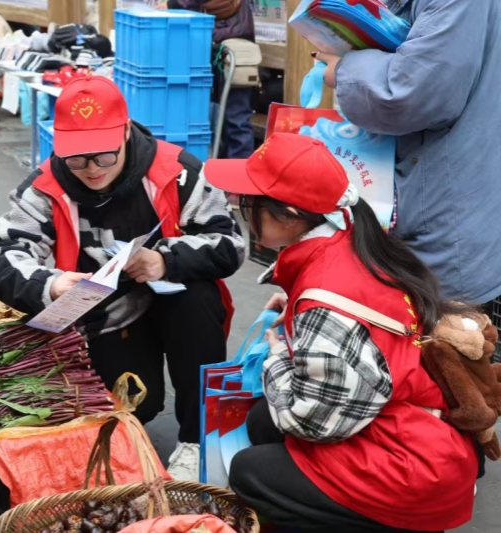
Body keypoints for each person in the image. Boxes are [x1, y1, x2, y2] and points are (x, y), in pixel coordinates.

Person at [203, 133, 480, 532]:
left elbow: (313, 422)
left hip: (416, 469)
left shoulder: (326, 300)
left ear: (289, 215)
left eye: (248, 203)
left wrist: (279, 355)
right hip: (426, 437)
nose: (241, 212)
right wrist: (298, 311)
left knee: (250, 471)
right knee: (264, 421)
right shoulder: (349, 236)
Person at [0, 77, 245, 481]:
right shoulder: (43, 187)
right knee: (138, 405)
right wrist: (51, 285)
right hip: (105, 316)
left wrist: (165, 260)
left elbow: (231, 242)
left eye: (104, 156)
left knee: (197, 298)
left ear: (125, 132)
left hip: (176, 305)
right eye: (77, 159)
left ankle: (196, 440)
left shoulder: (176, 171)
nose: (91, 170)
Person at [312, 0, 501, 314]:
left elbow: (412, 93)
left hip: (443, 209)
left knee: (438, 342)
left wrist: (345, 67)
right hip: (432, 198)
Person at [159, 0, 255, 159]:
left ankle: (239, 171)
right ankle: (230, 168)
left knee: (235, 115)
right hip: (223, 34)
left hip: (229, 36)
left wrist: (172, 4)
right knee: (226, 115)